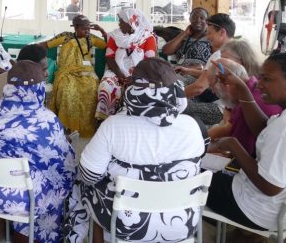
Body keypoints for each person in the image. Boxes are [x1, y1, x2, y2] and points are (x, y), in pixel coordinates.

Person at [64, 58, 205, 243]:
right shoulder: (192, 126)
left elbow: (89, 176)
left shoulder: (113, 126)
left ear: (133, 89)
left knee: (85, 186)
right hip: (183, 223)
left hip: (128, 226)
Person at [0, 60, 76, 243]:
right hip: (19, 200)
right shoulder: (47, 119)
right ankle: (26, 236)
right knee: (60, 182)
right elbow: (63, 166)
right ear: (38, 88)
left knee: (21, 170)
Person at [206, 52, 286, 236]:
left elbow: (270, 187)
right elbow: (263, 129)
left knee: (189, 175)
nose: (259, 85)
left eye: (267, 79)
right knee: (215, 169)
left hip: (258, 211)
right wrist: (241, 87)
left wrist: (234, 146)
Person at [43, 15, 106, 136]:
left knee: (92, 88)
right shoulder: (65, 36)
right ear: (76, 27)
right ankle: (66, 127)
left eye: (89, 28)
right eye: (84, 28)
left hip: (87, 73)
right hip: (66, 72)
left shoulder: (91, 38)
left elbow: (107, 44)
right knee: (66, 89)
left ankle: (87, 126)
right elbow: (45, 45)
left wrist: (102, 31)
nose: (87, 31)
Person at [206, 58, 282, 156]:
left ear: (225, 83)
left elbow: (237, 155)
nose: (213, 92)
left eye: (212, 86)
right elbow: (228, 111)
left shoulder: (246, 109)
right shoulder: (253, 85)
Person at [96, 8, 156, 120]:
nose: (119, 24)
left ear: (131, 22)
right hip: (116, 71)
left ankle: (135, 120)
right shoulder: (115, 35)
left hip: (141, 73)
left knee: (145, 88)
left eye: (121, 21)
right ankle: (105, 120)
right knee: (106, 87)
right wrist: (120, 75)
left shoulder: (147, 37)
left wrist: (135, 77)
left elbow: (150, 61)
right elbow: (109, 57)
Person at [183, 13, 236, 125]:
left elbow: (199, 88)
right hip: (231, 103)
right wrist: (188, 70)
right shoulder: (240, 49)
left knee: (178, 105)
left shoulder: (220, 55)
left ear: (222, 32)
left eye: (210, 33)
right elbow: (208, 76)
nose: (207, 37)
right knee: (188, 79)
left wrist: (171, 97)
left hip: (223, 110)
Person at [162, 7, 212, 82]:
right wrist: (184, 33)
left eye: (202, 18)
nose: (198, 20)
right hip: (179, 73)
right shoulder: (184, 37)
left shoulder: (210, 38)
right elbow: (166, 51)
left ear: (207, 21)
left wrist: (189, 68)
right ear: (190, 20)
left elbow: (215, 62)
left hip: (199, 75)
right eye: (194, 17)